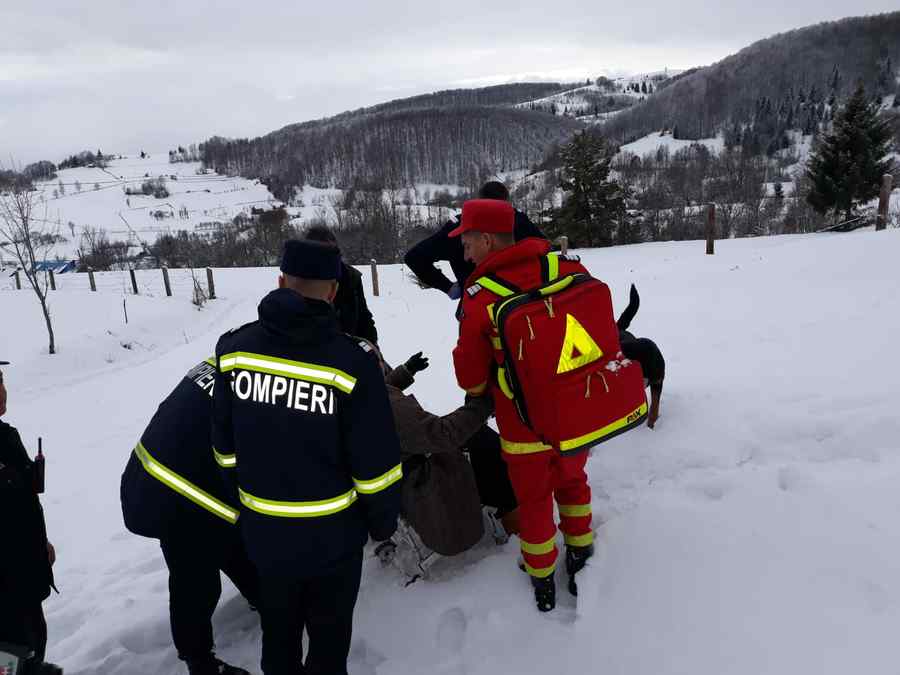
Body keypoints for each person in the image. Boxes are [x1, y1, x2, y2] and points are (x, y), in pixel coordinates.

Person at [211, 240, 402, 675]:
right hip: (334, 540)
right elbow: (376, 465)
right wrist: (381, 524)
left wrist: (245, 504)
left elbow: (222, 448)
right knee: (329, 645)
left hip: (264, 535)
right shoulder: (353, 363)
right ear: (334, 291)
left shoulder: (234, 350)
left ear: (280, 282)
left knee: (278, 639)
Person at [450, 200, 598, 612]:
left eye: (466, 243)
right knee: (573, 480)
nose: (464, 253)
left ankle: (542, 575)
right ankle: (581, 552)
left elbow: (472, 378)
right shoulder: (569, 270)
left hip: (522, 423)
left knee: (533, 501)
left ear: (486, 239)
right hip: (577, 409)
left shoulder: (481, 298)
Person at [120, 359, 260, 675]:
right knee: (196, 578)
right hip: (171, 491)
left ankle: (264, 596)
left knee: (229, 539)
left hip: (163, 474)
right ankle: (199, 661)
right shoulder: (268, 382)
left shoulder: (232, 357)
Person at [356, 341, 519, 579]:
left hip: (390, 479)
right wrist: (483, 403)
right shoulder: (388, 407)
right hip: (421, 485)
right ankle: (513, 515)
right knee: (484, 443)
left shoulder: (351, 399)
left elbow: (382, 390)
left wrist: (406, 371)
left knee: (474, 435)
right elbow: (443, 433)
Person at [0, 360, 63, 675]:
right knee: (11, 659)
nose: (2, 389)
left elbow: (22, 503)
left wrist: (41, 544)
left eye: (1, 379)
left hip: (25, 580)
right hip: (6, 595)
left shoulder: (6, 438)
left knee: (32, 644)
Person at [404, 181, 546, 300]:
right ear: (505, 200)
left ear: (480, 200)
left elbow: (415, 257)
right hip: (523, 304)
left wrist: (448, 287)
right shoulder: (520, 221)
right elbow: (546, 251)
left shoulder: (460, 225)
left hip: (477, 305)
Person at [304, 224, 378, 344]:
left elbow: (364, 321)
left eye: (331, 253)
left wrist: (374, 355)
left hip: (349, 351)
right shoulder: (300, 282)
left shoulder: (351, 277)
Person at [616, 284, 666, 429]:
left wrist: (653, 414)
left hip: (643, 356)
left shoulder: (655, 369)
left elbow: (657, 386)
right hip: (624, 340)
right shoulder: (624, 352)